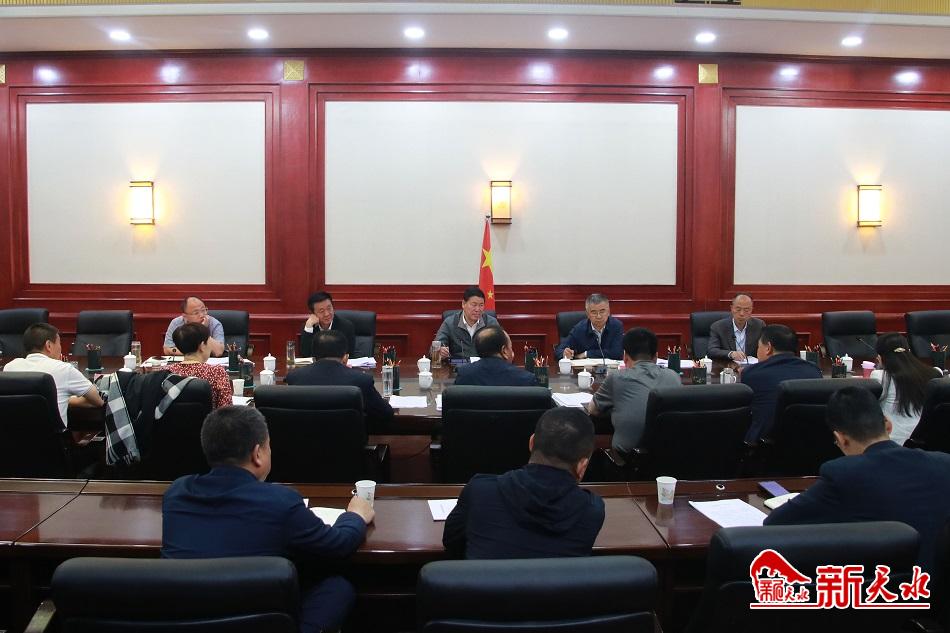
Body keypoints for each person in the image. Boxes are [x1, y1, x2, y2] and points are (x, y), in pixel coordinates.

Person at [162, 406, 375, 633]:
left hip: (187, 622)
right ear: (258, 454)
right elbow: (338, 545)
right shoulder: (281, 502)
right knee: (337, 586)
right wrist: (355, 515)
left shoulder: (177, 494)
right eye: (268, 446)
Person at [765, 386, 950, 573]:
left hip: (887, 586)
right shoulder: (943, 463)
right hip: (939, 584)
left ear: (840, 439)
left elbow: (775, 523)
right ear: (888, 425)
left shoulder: (844, 474)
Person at [442, 407, 605, 559]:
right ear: (582, 465)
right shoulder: (592, 511)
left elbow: (452, 543)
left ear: (531, 443)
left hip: (484, 581)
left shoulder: (480, 491)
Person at [587, 327, 682, 457]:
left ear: (625, 357)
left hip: (626, 461)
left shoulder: (617, 377)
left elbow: (592, 409)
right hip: (670, 457)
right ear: (656, 357)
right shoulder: (673, 376)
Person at [286, 330, 393, 432]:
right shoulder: (361, 380)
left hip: (303, 443)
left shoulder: (294, 378)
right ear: (345, 356)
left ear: (313, 355)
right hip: (349, 444)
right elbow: (386, 413)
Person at [3, 323, 103, 426]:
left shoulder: (9, 367)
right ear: (49, 345)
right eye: (59, 343)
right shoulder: (63, 368)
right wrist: (66, 399)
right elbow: (98, 401)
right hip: (52, 436)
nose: (60, 348)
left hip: (12, 435)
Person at [740, 324, 822, 442]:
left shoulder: (751, 373)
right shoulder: (813, 370)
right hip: (808, 441)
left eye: (758, 347)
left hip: (765, 445)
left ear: (768, 348)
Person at [870, 333, 943, 446]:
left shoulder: (879, 376)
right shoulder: (935, 373)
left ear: (879, 357)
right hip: (926, 442)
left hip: (893, 442)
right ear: (909, 352)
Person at [165, 323, 233, 409]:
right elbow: (226, 410)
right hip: (209, 418)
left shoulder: (165, 372)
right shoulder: (217, 373)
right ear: (202, 346)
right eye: (209, 342)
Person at [454, 326, 538, 387]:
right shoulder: (526, 379)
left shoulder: (464, 374)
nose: (512, 352)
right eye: (511, 348)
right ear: (504, 350)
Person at [435, 286, 500, 360]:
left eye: (481, 305)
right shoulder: (450, 323)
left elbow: (502, 348)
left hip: (484, 364)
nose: (477, 309)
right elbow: (435, 348)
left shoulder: (491, 323)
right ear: (463, 304)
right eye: (474, 305)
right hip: (458, 365)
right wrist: (440, 351)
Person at [555, 293, 624, 361]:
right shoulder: (579, 328)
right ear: (587, 314)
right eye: (594, 312)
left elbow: (617, 353)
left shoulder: (616, 326)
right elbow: (558, 351)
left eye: (602, 311)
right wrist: (564, 353)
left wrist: (587, 354)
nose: (599, 316)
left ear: (608, 312)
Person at [707, 293, 766, 362]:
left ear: (751, 310)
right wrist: (731, 354)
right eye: (738, 309)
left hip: (752, 366)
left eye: (746, 310)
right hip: (727, 366)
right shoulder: (718, 327)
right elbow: (712, 351)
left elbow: (766, 349)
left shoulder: (759, 325)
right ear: (732, 308)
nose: (742, 314)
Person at [300, 291, 356, 358]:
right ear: (313, 313)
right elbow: (305, 355)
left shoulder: (346, 326)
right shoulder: (309, 327)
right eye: (321, 311)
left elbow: (349, 355)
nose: (327, 314)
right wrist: (308, 328)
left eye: (329, 308)